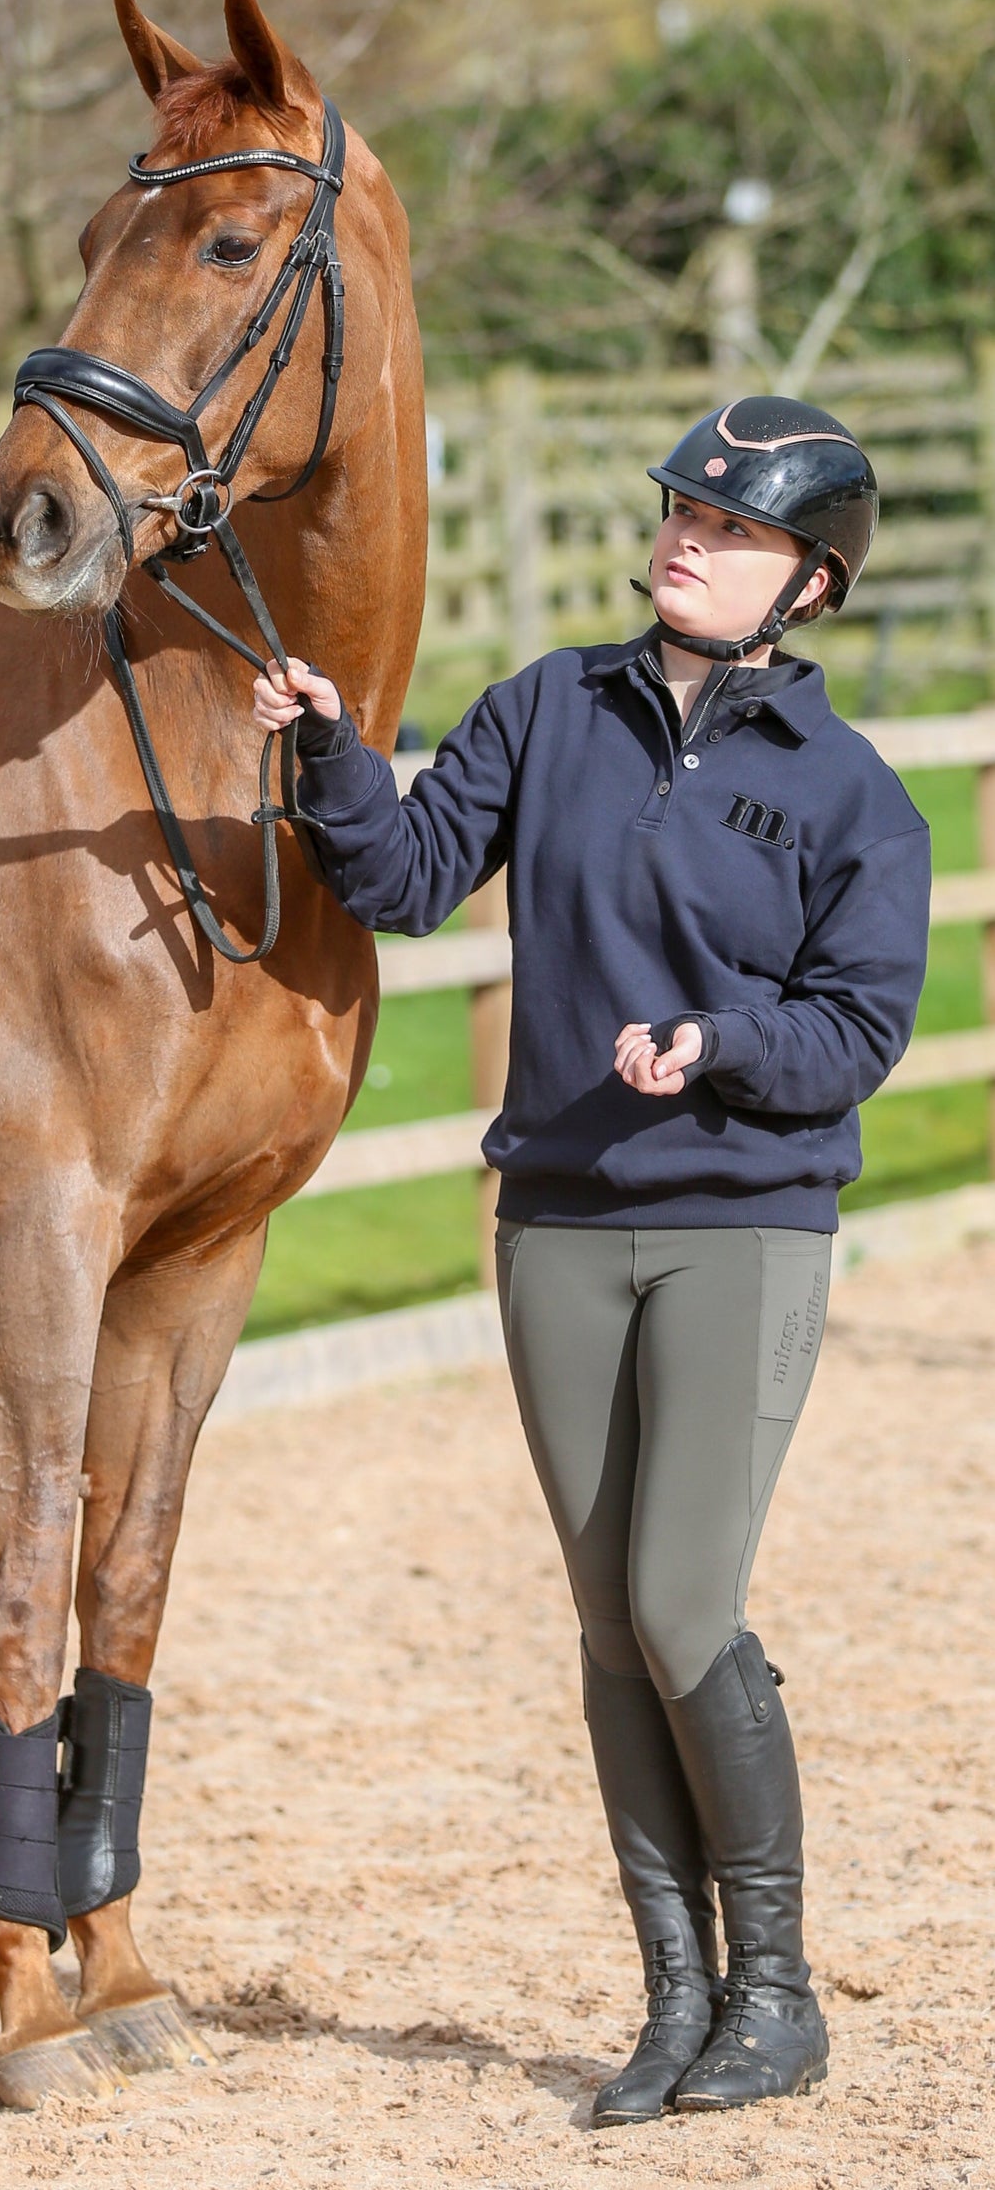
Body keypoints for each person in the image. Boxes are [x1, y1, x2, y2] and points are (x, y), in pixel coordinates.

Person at [253, 398, 931, 2125]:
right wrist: (333, 757)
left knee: (680, 1601)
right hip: (555, 1222)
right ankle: (674, 1997)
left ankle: (777, 1995)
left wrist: (714, 1044)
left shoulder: (852, 798)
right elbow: (404, 880)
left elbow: (854, 1032)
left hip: (740, 1230)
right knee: (606, 1628)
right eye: (682, 509)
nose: (688, 535)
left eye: (734, 526)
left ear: (810, 582)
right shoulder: (547, 706)